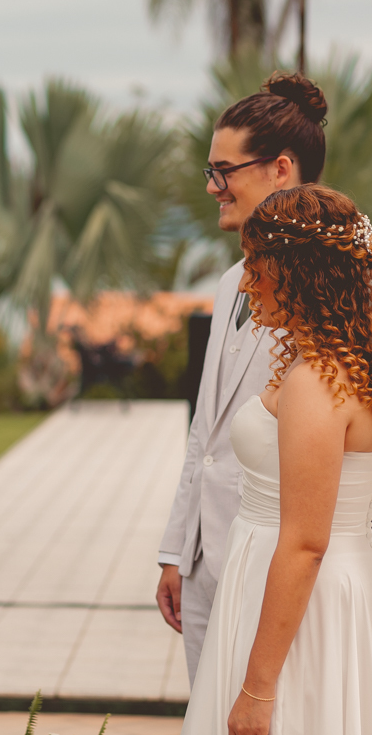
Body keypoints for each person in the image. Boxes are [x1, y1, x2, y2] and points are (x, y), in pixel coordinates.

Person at [182, 184, 372, 734]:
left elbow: (307, 543)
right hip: (296, 581)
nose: (246, 281)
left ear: (296, 272)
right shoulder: (345, 366)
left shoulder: (318, 382)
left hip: (301, 600)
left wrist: (258, 689)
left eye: (255, 265)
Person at [156, 71, 328, 687]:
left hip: (276, 566)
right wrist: (176, 550)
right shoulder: (232, 281)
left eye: (223, 171)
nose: (212, 187)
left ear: (280, 169)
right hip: (204, 561)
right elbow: (206, 428)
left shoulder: (334, 287)